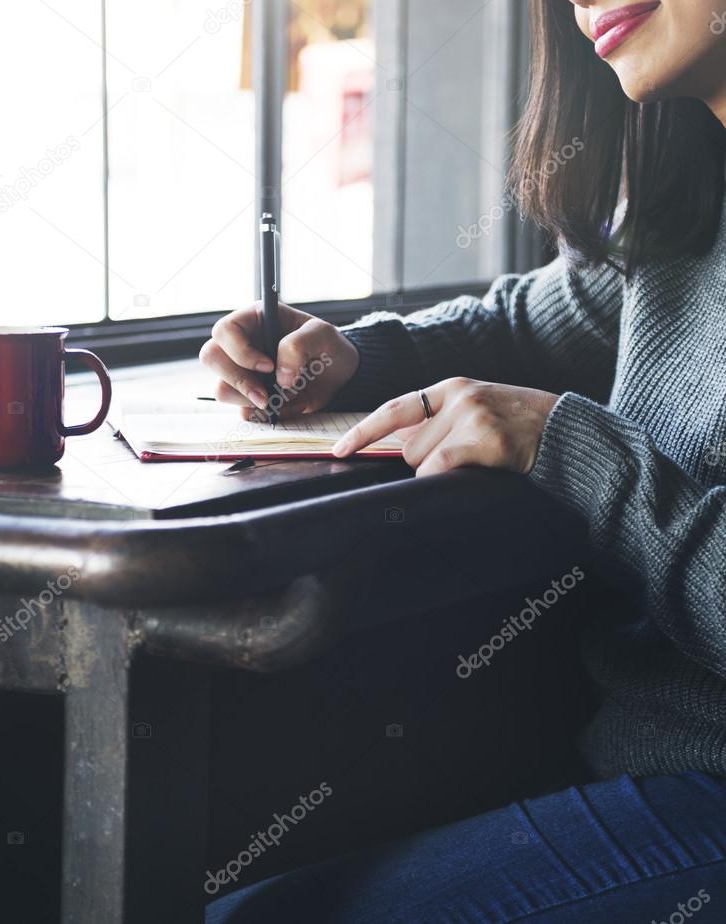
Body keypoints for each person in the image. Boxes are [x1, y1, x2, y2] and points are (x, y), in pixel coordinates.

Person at [200, 1, 726, 919]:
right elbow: (532, 322)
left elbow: (562, 423)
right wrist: (356, 358)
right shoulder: (694, 189)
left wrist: (571, 449)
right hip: (629, 753)